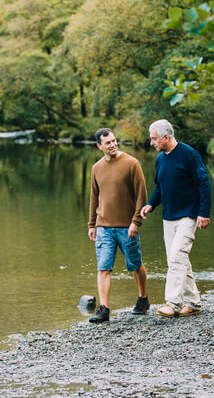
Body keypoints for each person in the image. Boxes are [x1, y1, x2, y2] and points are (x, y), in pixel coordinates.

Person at [140, 119, 211, 318]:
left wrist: (204, 213)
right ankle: (194, 303)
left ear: (166, 137)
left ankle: (173, 303)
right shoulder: (160, 159)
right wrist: (150, 204)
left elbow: (204, 183)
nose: (151, 142)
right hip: (168, 217)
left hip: (188, 216)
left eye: (154, 139)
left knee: (176, 258)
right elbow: (160, 187)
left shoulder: (189, 155)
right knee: (180, 260)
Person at [88, 128, 150, 323]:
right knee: (103, 268)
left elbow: (142, 195)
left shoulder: (132, 163)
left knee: (135, 264)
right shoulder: (96, 168)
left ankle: (143, 298)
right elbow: (93, 198)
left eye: (114, 141)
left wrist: (135, 221)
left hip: (127, 226)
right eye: (108, 143)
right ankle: (104, 310)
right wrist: (92, 224)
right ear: (100, 146)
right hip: (103, 226)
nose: (113, 145)